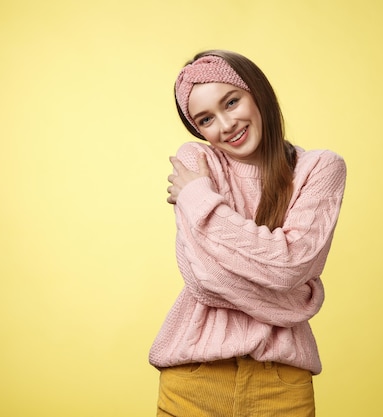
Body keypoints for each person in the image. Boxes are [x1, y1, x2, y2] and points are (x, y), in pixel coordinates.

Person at [149, 50, 347, 417]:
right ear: (197, 129)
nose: (225, 125)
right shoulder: (198, 161)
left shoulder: (318, 168)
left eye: (232, 101)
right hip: (193, 379)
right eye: (206, 118)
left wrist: (198, 198)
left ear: (257, 92)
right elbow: (204, 279)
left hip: (282, 386)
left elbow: (292, 266)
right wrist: (293, 300)